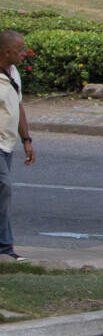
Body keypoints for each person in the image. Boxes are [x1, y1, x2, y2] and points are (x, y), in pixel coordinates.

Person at [0, 31, 35, 262]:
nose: (24, 54)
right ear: (7, 52)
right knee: (5, 188)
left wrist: (27, 140)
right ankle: (5, 248)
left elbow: (19, 107)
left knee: (2, 194)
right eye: (20, 50)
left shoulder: (14, 75)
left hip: (8, 144)